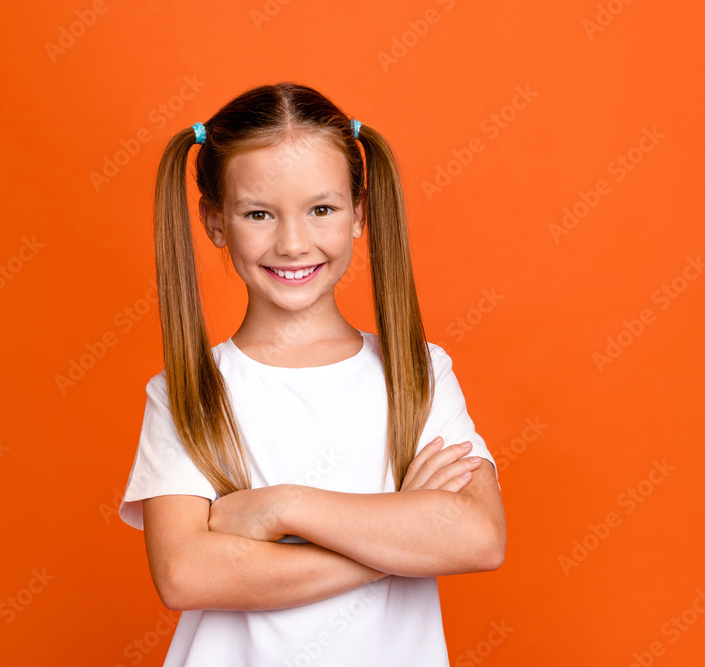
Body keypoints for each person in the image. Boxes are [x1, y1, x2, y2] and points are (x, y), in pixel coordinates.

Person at [118, 81, 506, 666]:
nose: (293, 243)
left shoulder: (417, 372)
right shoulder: (187, 393)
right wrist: (400, 542)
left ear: (359, 213)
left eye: (321, 209)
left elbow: (478, 536)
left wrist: (282, 508)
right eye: (258, 214)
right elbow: (184, 573)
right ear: (216, 222)